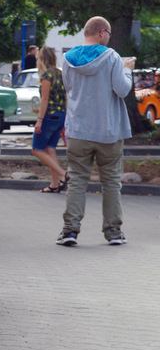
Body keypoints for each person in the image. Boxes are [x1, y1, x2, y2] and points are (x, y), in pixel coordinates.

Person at [56, 16, 135, 247]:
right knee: (111, 182)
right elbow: (122, 90)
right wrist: (127, 70)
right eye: (108, 34)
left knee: (77, 181)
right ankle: (114, 233)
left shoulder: (68, 59)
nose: (109, 38)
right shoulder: (112, 57)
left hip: (78, 130)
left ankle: (70, 231)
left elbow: (70, 89)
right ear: (102, 33)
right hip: (108, 131)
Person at [31, 47, 67, 193]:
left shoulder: (47, 76)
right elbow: (65, 97)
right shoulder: (60, 73)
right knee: (50, 149)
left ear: (41, 60)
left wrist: (39, 120)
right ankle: (54, 184)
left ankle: (63, 174)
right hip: (61, 115)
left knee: (36, 149)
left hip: (49, 116)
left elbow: (44, 99)